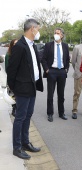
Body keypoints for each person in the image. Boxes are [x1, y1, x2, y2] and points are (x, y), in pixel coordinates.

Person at [7, 19, 44, 159]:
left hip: (32, 86)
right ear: (32, 29)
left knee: (28, 116)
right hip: (22, 88)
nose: (38, 31)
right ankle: (17, 147)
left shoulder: (32, 45)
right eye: (38, 29)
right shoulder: (20, 46)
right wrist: (14, 90)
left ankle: (25, 142)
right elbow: (11, 71)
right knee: (20, 117)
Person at [41, 27, 70, 122]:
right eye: (55, 33)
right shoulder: (48, 45)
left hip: (62, 71)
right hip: (51, 71)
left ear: (62, 35)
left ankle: (61, 113)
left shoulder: (65, 46)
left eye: (58, 33)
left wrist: (66, 69)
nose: (56, 34)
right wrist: (47, 70)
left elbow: (67, 59)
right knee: (50, 94)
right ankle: (50, 113)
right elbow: (43, 59)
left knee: (61, 94)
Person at [5, 39, 18, 117]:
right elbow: (7, 68)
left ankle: (17, 108)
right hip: (12, 78)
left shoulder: (20, 53)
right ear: (12, 45)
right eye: (15, 43)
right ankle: (14, 109)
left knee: (18, 95)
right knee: (13, 95)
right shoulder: (8, 54)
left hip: (19, 78)